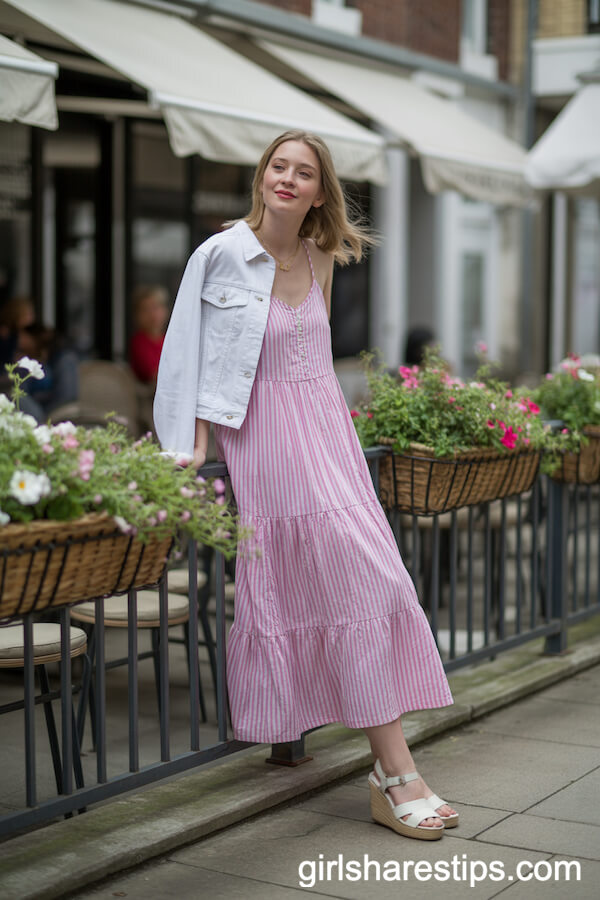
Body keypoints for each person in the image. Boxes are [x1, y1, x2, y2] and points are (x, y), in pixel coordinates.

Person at [154, 130, 457, 841]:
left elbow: (317, 364)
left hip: (325, 435)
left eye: (304, 172)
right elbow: (185, 353)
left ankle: (391, 771)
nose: (287, 179)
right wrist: (189, 445)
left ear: (321, 191)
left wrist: (342, 445)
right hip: (261, 435)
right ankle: (395, 772)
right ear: (262, 177)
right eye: (278, 167)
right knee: (351, 579)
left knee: (374, 580)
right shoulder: (220, 253)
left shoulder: (320, 256)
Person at [17, 323, 79, 420]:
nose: (20, 341)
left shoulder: (64, 359)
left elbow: (67, 396)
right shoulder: (27, 359)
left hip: (54, 412)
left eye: (23, 337)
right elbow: (21, 390)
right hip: (32, 411)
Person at [128, 285, 169, 385]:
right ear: (137, 316)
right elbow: (154, 375)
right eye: (145, 309)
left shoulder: (169, 340)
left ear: (164, 311)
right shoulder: (139, 342)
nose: (152, 314)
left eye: (155, 308)